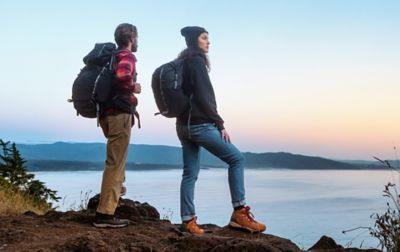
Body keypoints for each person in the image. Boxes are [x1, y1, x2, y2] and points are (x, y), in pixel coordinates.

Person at [176, 26, 266, 235]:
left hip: (183, 126)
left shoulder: (182, 62)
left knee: (189, 173)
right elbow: (204, 96)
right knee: (237, 159)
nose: (209, 42)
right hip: (200, 125)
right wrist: (219, 123)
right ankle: (240, 213)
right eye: (204, 38)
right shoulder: (197, 62)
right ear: (194, 41)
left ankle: (188, 221)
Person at [93, 23, 141, 228]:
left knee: (115, 161)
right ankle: (105, 215)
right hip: (119, 114)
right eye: (137, 37)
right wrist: (133, 87)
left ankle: (115, 191)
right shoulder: (126, 56)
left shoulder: (110, 58)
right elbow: (123, 76)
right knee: (115, 163)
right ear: (131, 38)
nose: (138, 41)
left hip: (105, 114)